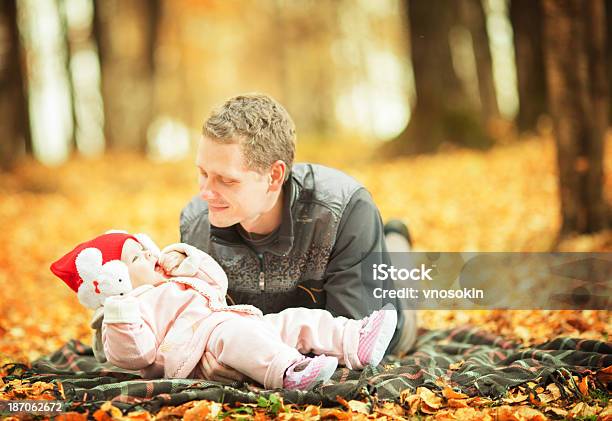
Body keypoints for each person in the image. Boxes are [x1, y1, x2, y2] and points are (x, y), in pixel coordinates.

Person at [180, 94, 417, 382]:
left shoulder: (344, 211)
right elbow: (192, 327)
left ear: (274, 176)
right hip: (280, 337)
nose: (205, 192)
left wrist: (252, 362)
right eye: (202, 173)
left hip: (387, 318)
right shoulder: (195, 224)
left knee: (402, 280)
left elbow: (352, 337)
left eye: (226, 180)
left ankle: (396, 237)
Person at [50, 232, 398, 391]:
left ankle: (354, 340)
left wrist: (187, 260)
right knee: (236, 336)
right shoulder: (126, 312)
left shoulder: (172, 280)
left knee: (293, 319)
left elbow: (216, 282)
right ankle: (289, 371)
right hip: (198, 353)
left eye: (144, 248)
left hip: (231, 322)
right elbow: (135, 355)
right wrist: (121, 307)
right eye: (135, 258)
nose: (150, 255)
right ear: (112, 281)